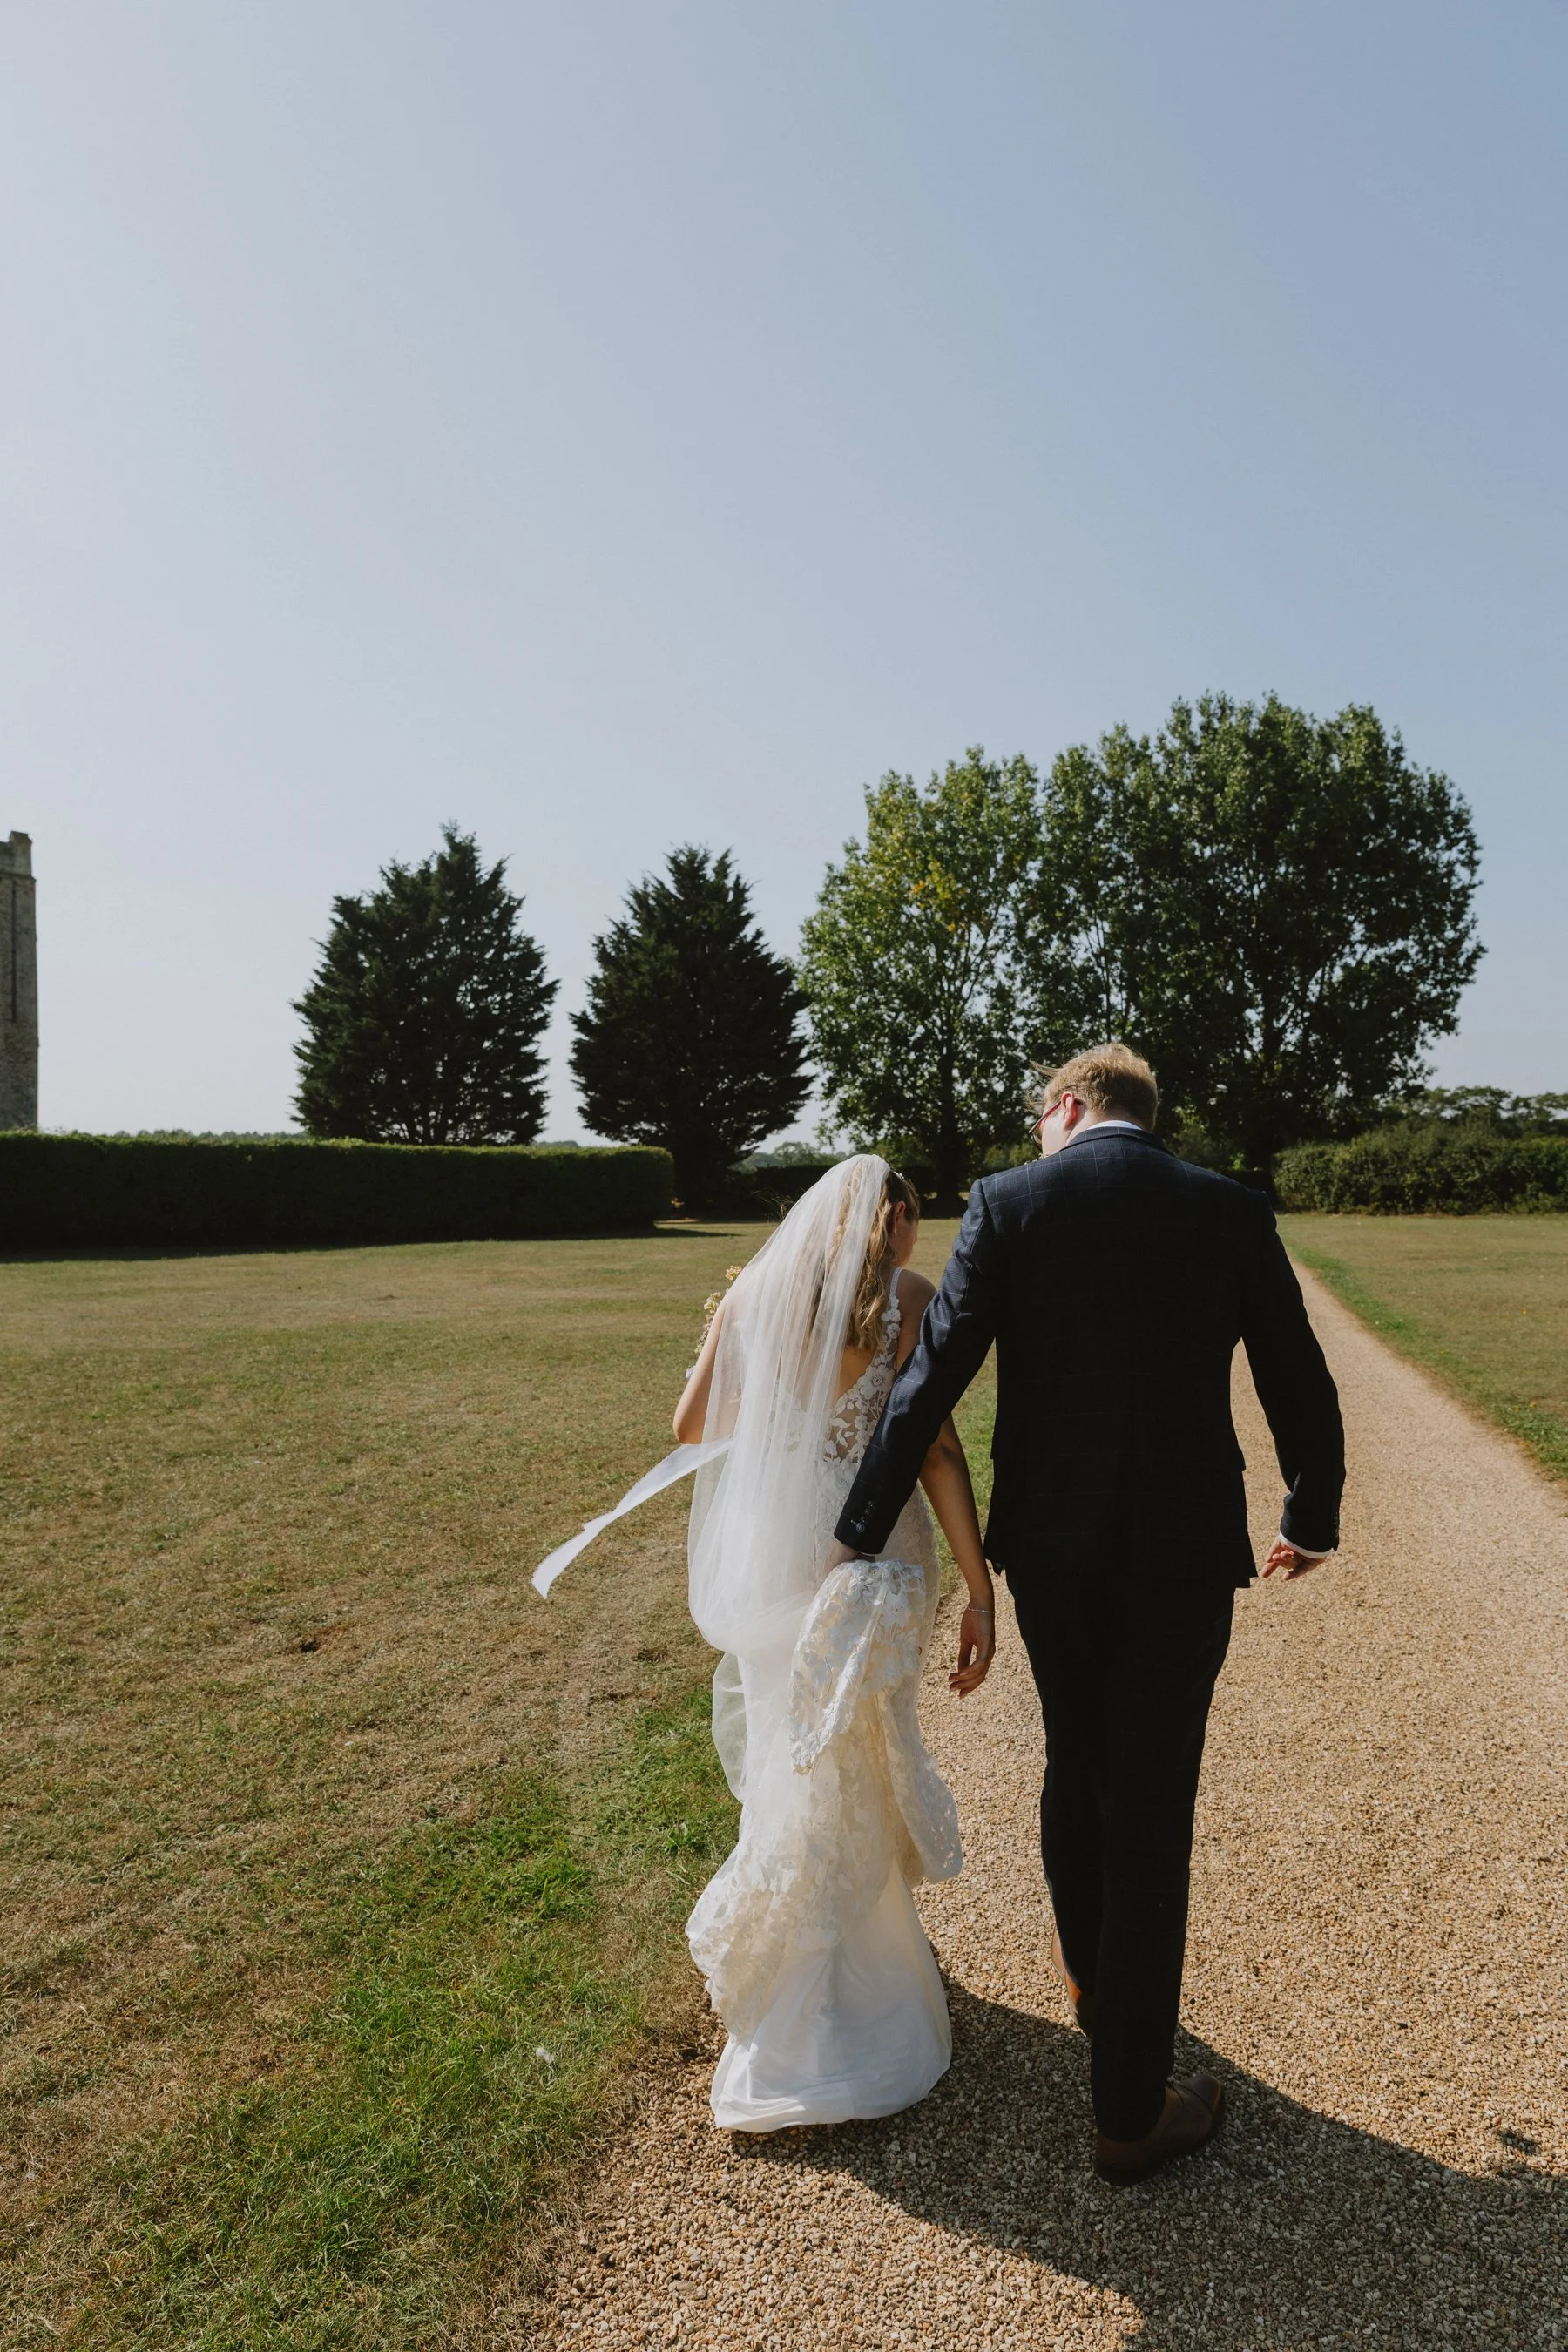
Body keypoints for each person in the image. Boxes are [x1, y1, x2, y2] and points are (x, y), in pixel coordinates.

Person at [829, 1044, 1346, 2185]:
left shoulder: (1013, 1204)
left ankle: (1096, 1986)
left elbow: (932, 1378)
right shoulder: (1226, 1206)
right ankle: (1128, 2106)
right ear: (1142, 1116)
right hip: (1178, 1558)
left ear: (1066, 1109)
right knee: (1152, 1805)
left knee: (1076, 1760)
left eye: (1038, 1121)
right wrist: (1312, 1507)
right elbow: (1294, 1367)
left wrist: (858, 1526)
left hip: (1053, 1557)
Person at [673, 1155, 996, 2132]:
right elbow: (934, 1447)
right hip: (871, 1562)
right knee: (860, 1752)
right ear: (889, 1218)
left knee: (793, 1754)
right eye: (912, 1216)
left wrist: (777, 1401)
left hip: (782, 1562)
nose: (916, 1235)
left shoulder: (756, 1297)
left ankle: (793, 1988)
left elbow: (691, 1425)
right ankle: (859, 1993)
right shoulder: (907, 1299)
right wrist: (981, 1586)